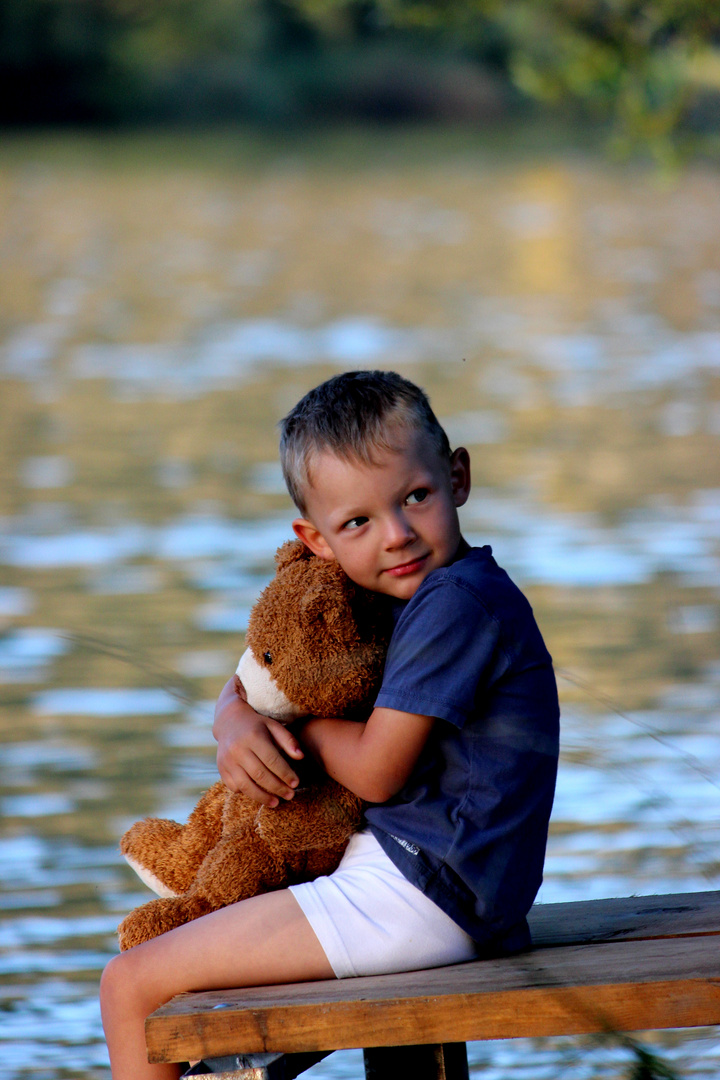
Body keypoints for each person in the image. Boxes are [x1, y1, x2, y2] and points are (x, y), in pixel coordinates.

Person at [100, 370, 559, 1080]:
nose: (397, 535)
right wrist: (232, 719)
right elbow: (267, 670)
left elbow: (379, 769)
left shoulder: (456, 601)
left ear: (458, 476)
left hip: (426, 894)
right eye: (358, 523)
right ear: (315, 540)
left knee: (129, 986)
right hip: (430, 885)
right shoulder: (381, 590)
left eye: (416, 497)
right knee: (208, 1048)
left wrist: (302, 735)